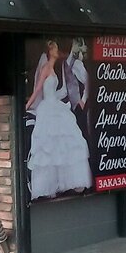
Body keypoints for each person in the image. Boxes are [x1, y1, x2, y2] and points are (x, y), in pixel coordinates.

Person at [25, 40, 92, 200]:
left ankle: (69, 181)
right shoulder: (46, 68)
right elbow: (38, 89)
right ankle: (48, 185)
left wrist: (72, 98)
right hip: (48, 108)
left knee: (63, 144)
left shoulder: (56, 68)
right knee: (49, 145)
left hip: (55, 105)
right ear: (50, 51)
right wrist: (27, 105)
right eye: (54, 48)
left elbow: (56, 91)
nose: (57, 51)